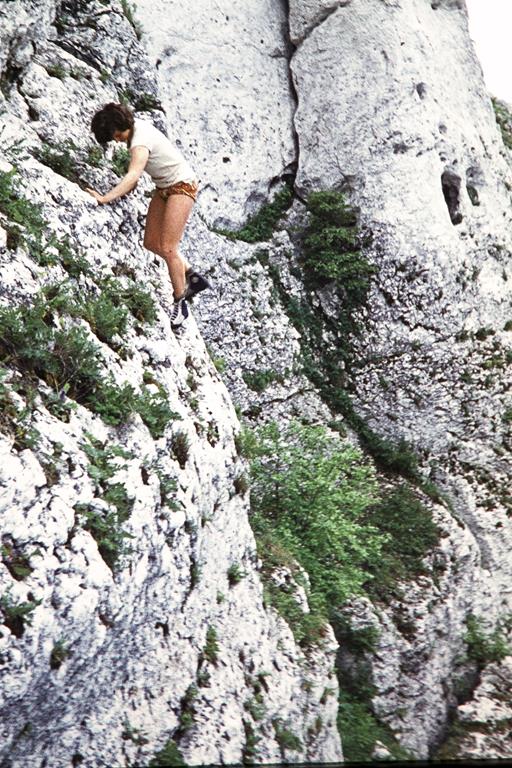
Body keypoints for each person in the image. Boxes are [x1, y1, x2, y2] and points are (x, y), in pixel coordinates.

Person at [86, 102, 209, 329]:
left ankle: (180, 302)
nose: (117, 140)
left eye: (116, 135)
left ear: (120, 126)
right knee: (151, 242)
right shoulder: (136, 130)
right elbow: (133, 179)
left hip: (182, 187)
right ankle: (193, 277)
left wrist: (104, 198)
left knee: (169, 248)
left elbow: (133, 175)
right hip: (164, 188)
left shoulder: (139, 142)